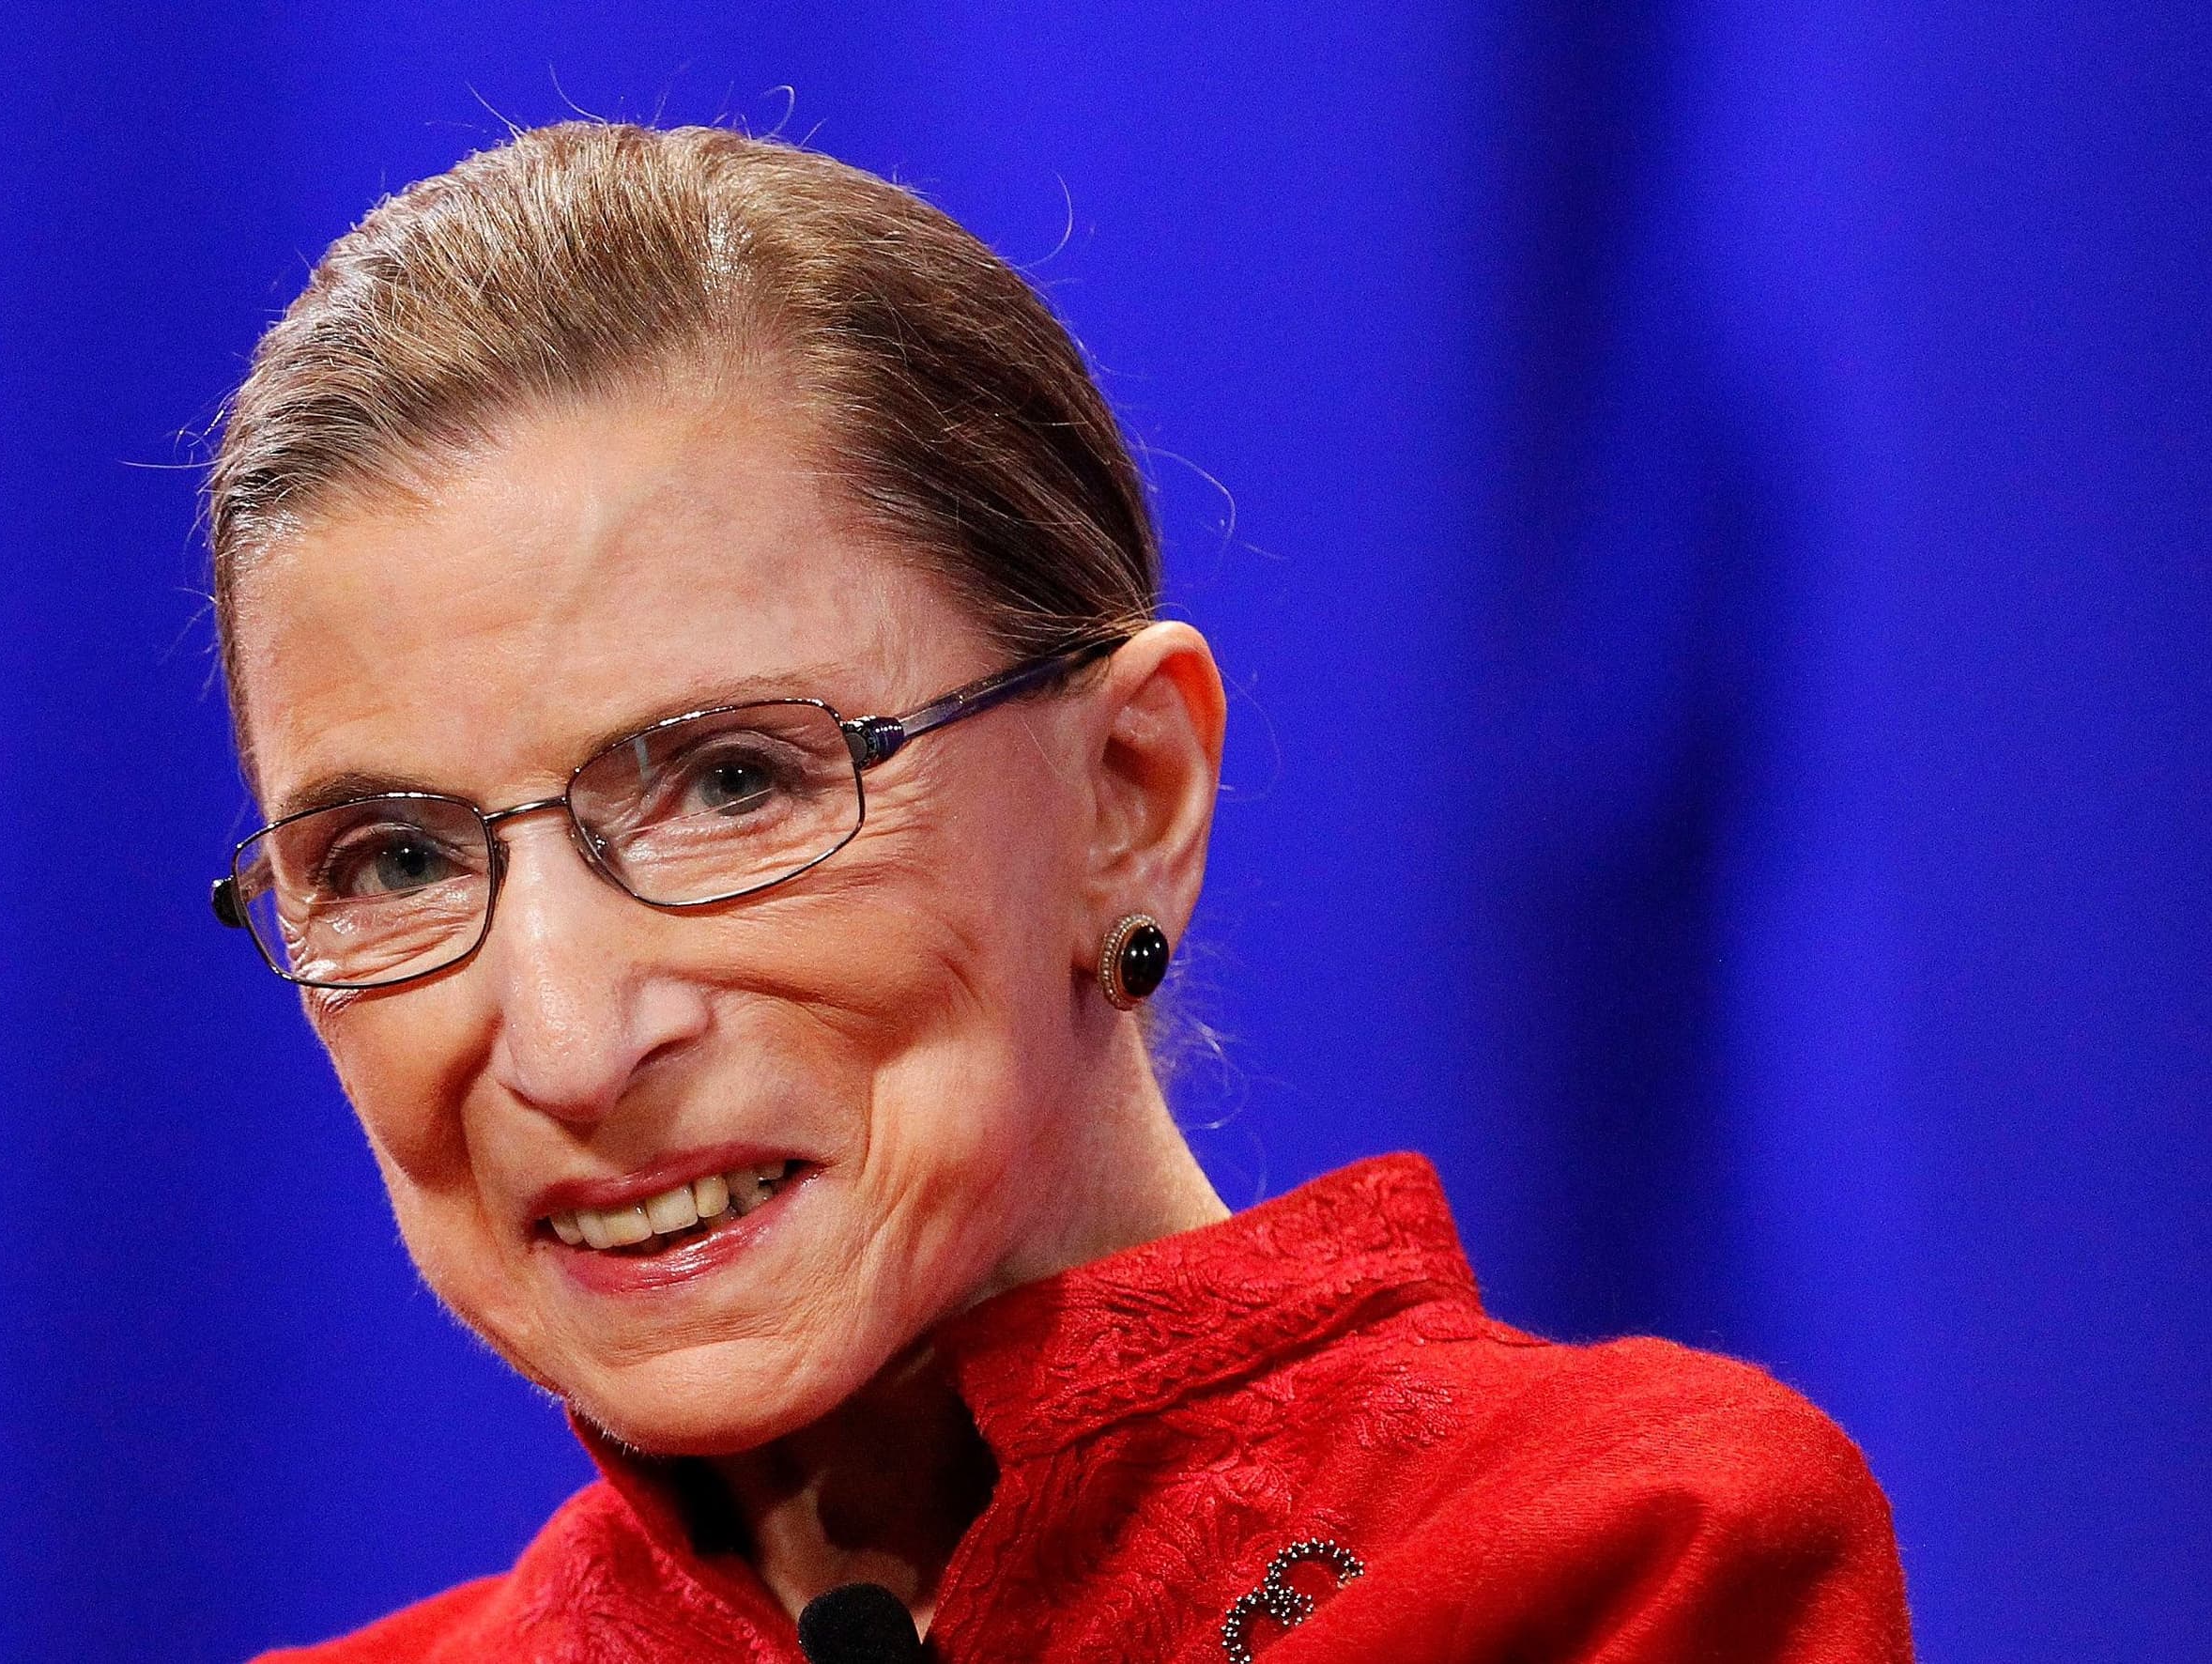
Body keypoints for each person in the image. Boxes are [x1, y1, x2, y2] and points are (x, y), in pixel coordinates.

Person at [205, 121, 1912, 1662]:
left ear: (1126, 800)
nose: (569, 1044)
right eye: (395, 862)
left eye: (732, 782)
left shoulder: (1608, 1558)